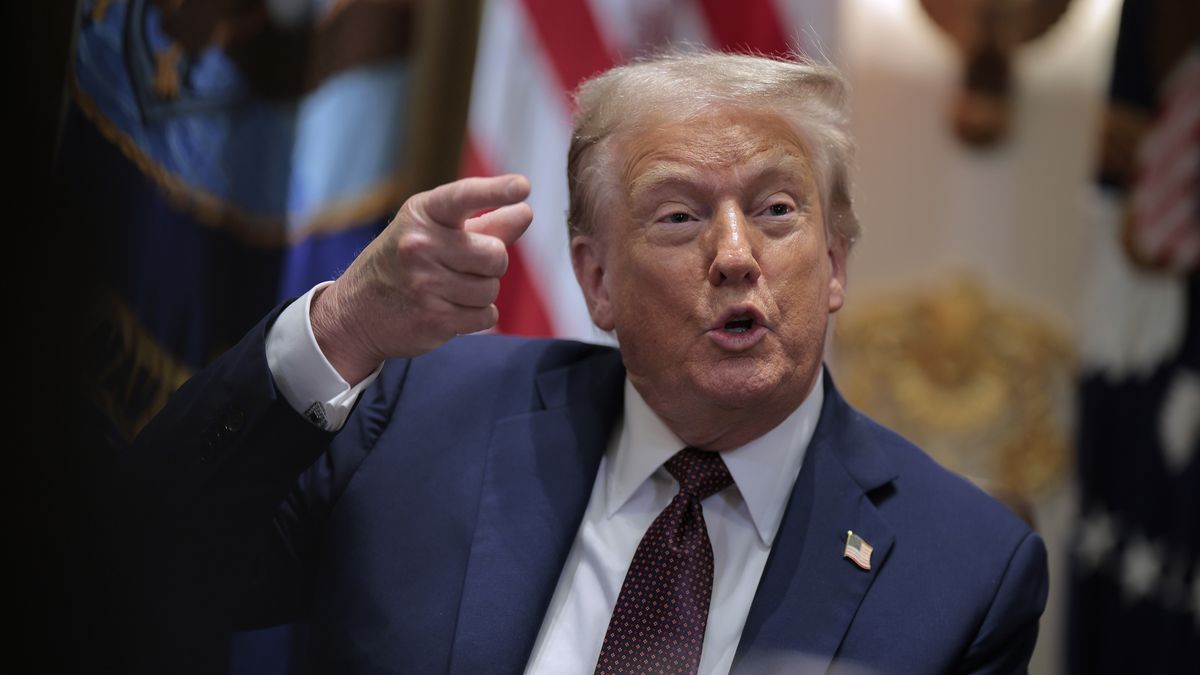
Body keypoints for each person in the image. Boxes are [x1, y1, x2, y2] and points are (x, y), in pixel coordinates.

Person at [125, 50, 1048, 674]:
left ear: (836, 262)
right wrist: (346, 327)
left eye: (776, 211)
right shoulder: (414, 416)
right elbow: (136, 563)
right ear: (595, 278)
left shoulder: (965, 572)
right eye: (679, 216)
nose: (735, 256)